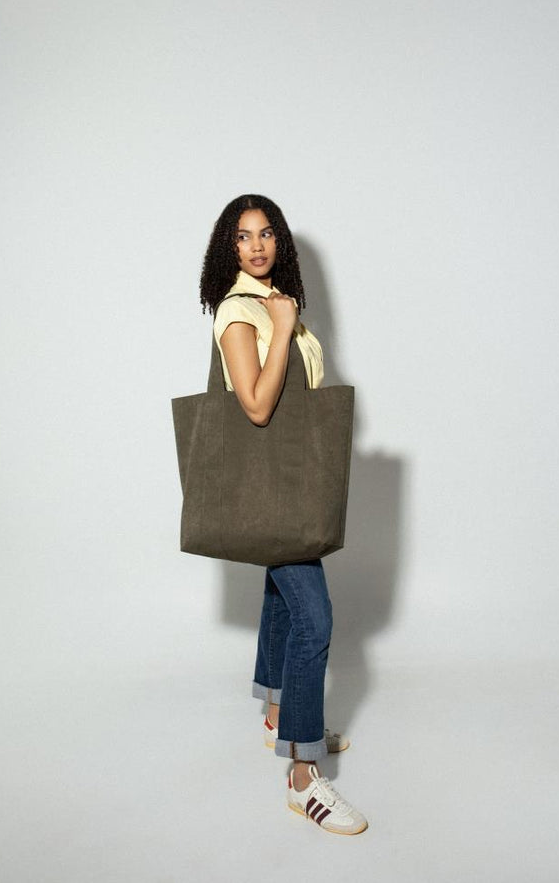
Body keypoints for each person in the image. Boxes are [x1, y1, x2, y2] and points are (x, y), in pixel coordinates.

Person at [199, 194, 368, 836]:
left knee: (282, 594)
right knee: (315, 620)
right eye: (243, 238)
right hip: (270, 482)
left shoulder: (270, 306)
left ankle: (278, 712)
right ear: (229, 249)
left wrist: (288, 318)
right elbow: (258, 408)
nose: (258, 246)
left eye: (267, 234)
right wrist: (285, 318)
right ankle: (302, 775)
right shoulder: (242, 314)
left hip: (286, 483)